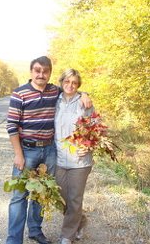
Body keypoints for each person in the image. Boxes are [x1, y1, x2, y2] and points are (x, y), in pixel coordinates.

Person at [5, 56, 92, 244]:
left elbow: (72, 89)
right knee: (20, 196)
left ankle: (35, 231)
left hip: (49, 151)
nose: (41, 74)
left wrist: (85, 93)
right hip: (27, 151)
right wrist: (18, 155)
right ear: (31, 71)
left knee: (42, 192)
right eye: (37, 70)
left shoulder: (54, 91)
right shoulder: (19, 94)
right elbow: (11, 126)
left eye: (45, 71)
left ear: (50, 73)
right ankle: (13, 240)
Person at [54, 69, 94, 244]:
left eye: (74, 83)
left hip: (79, 160)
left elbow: (95, 128)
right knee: (61, 198)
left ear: (78, 85)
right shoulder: (54, 100)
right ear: (62, 82)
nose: (70, 85)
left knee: (75, 199)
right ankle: (81, 220)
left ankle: (66, 236)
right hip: (58, 159)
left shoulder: (85, 103)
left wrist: (88, 146)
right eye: (67, 82)